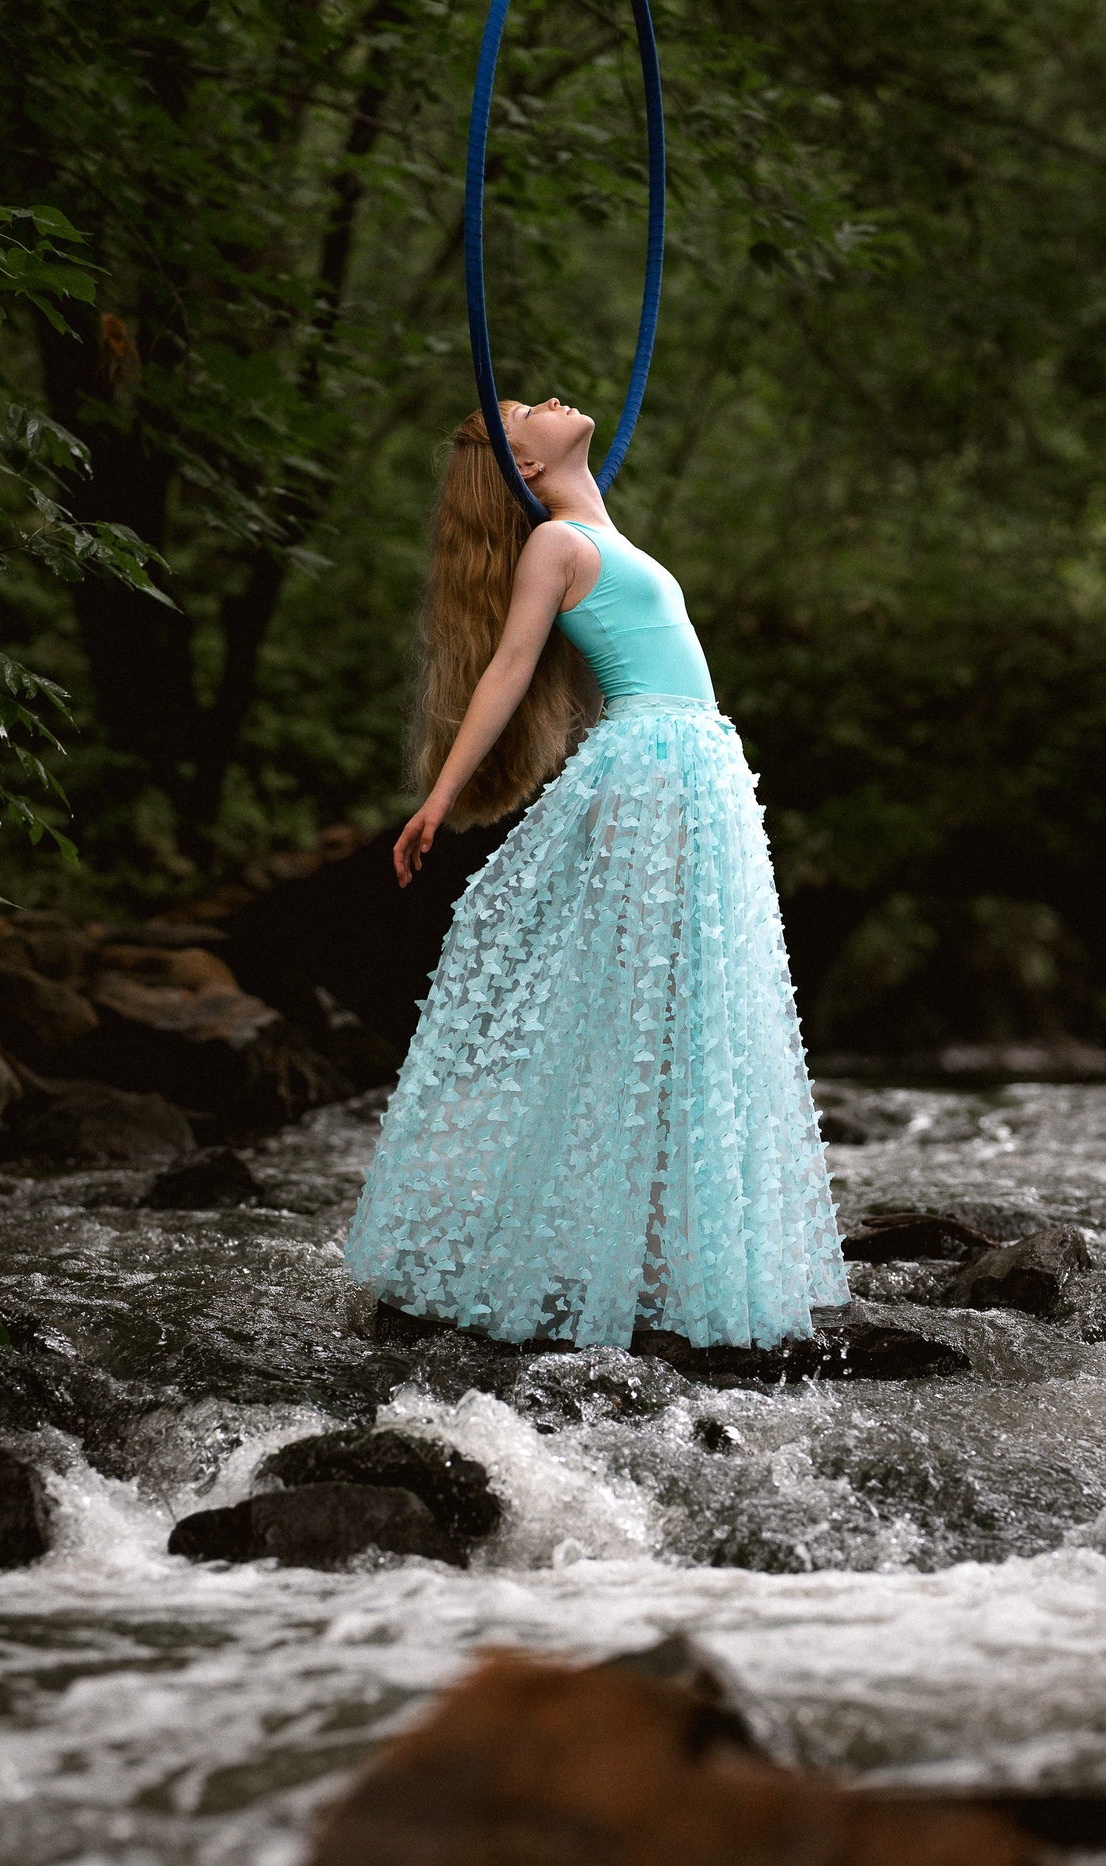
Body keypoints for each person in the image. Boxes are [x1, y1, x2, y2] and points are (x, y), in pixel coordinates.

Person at [343, 395, 846, 1349]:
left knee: (689, 1012)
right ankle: (633, 1262)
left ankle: (658, 1256)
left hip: (696, 767)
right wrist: (440, 798)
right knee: (650, 1015)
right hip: (654, 769)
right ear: (522, 468)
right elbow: (508, 668)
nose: (545, 401)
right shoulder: (556, 546)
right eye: (521, 409)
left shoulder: (595, 533)